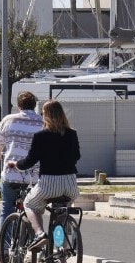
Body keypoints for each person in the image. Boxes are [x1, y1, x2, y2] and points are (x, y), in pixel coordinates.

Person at [5, 100, 81, 251]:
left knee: (29, 204)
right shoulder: (72, 134)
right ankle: (61, 252)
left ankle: (40, 234)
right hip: (71, 184)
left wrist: (16, 164)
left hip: (49, 184)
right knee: (61, 214)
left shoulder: (41, 136)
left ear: (46, 116)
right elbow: (77, 156)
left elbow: (29, 161)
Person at [0, 91, 44, 263]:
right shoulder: (42, 121)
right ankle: (34, 240)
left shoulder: (9, 120)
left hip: (12, 173)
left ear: (18, 105)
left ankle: (4, 251)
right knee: (35, 209)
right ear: (34, 104)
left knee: (6, 209)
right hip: (34, 176)